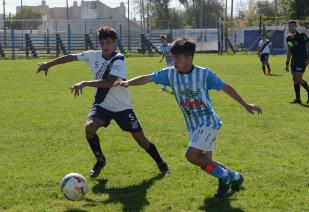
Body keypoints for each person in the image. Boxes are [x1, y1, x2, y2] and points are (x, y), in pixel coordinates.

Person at [114, 38, 262, 198]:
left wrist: (246, 104)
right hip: (193, 126)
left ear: (190, 58)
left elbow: (225, 87)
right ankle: (235, 177)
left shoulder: (204, 74)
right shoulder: (170, 74)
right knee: (205, 161)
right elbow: (148, 78)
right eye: (173, 58)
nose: (174, 62)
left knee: (191, 156)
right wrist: (128, 82)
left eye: (178, 58)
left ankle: (224, 178)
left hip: (208, 122)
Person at [36, 26, 169, 178]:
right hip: (102, 104)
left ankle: (161, 162)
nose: (105, 46)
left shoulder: (119, 59)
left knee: (141, 140)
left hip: (122, 107)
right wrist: (48, 65)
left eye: (108, 43)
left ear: (114, 44)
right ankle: (100, 159)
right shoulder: (93, 55)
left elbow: (110, 82)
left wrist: (85, 83)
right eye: (102, 43)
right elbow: (70, 57)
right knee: (89, 128)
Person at [285, 20, 309, 104]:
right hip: (293, 60)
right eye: (289, 26)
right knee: (295, 79)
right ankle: (298, 99)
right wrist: (287, 63)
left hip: (302, 59)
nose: (291, 27)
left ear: (296, 26)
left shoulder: (302, 35)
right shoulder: (288, 38)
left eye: (293, 26)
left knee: (298, 78)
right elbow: (289, 50)